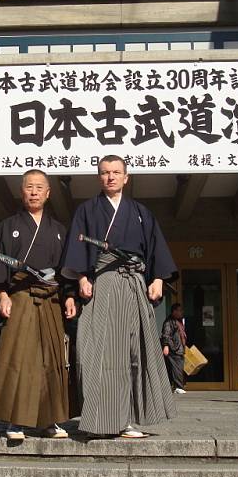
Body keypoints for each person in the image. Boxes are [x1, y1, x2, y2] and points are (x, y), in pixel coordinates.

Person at [61, 155, 178, 438]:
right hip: (104, 283)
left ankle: (127, 420)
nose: (110, 177)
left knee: (135, 352)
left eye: (116, 172)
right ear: (98, 178)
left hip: (135, 283)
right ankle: (98, 420)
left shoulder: (140, 212)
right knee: (98, 353)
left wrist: (158, 278)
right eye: (104, 172)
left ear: (127, 177)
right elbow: (77, 248)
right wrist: (82, 277)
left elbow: (155, 248)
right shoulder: (87, 210)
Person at [0, 169, 76, 440]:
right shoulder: (7, 226)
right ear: (21, 192)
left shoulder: (59, 230)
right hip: (20, 296)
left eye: (39, 188)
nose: (34, 192)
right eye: (29, 187)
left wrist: (69, 296)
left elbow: (67, 270)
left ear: (48, 194)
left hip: (51, 299)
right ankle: (15, 421)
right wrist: (2, 295)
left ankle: (49, 420)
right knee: (19, 357)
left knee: (52, 358)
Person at [161, 303, 187, 394]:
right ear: (174, 311)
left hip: (179, 349)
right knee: (176, 368)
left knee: (179, 367)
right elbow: (166, 334)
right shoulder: (169, 322)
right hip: (174, 348)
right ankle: (178, 387)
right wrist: (166, 345)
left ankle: (178, 386)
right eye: (179, 310)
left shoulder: (179, 321)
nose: (181, 312)